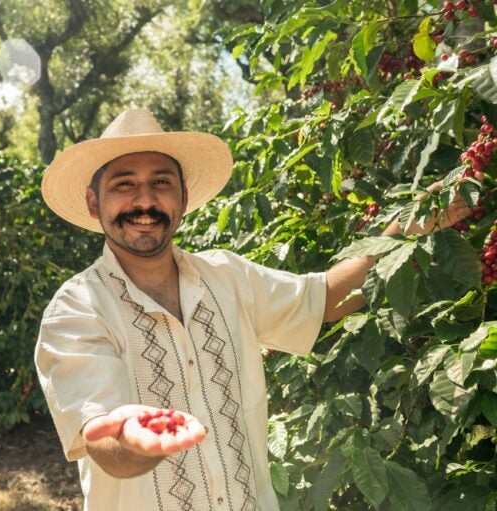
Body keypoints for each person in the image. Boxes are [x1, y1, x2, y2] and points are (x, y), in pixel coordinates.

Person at [34, 109, 473, 511]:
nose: (144, 201)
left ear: (183, 198)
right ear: (95, 204)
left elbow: (329, 298)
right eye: (124, 184)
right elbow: (107, 443)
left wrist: (410, 227)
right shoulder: (76, 311)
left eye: (161, 182)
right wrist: (132, 439)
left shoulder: (228, 277)